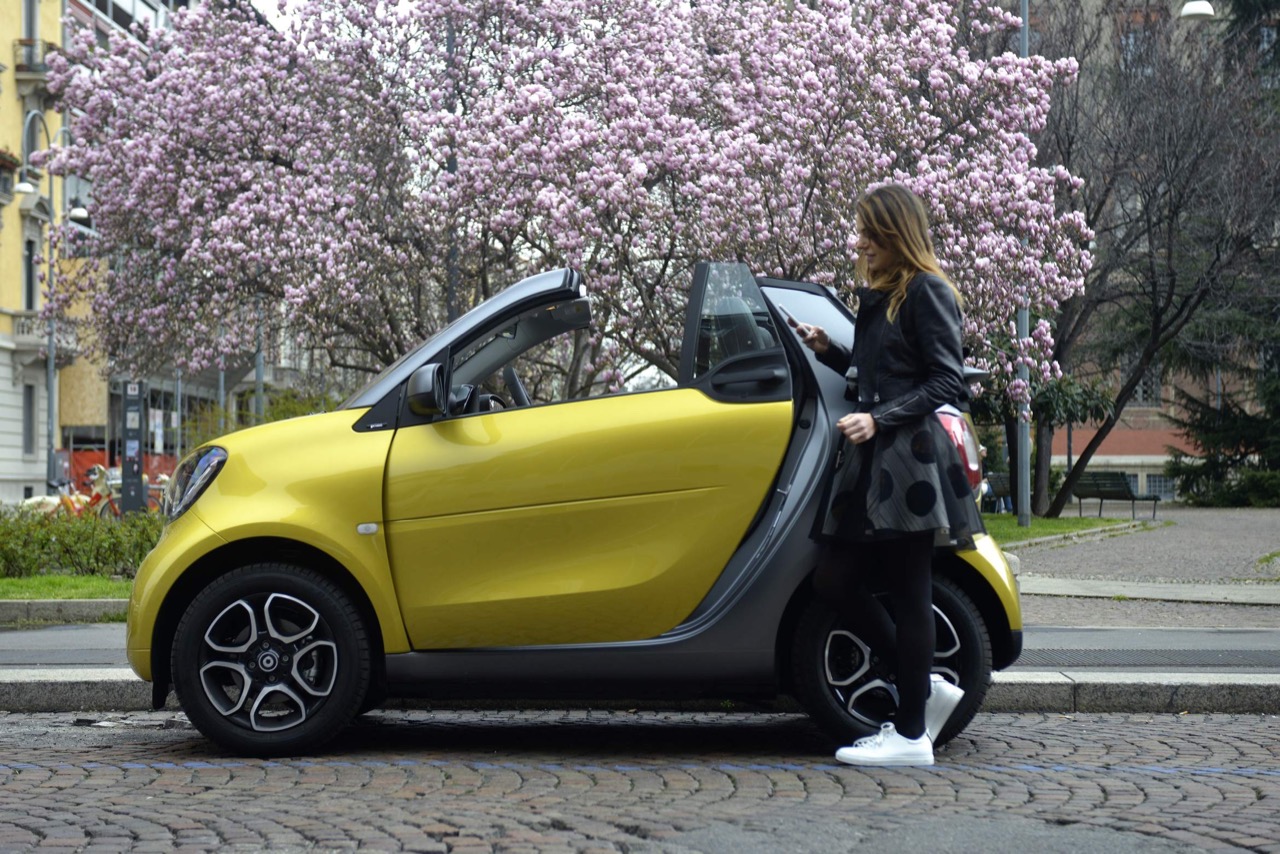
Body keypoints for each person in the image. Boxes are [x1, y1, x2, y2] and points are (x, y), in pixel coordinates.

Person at [787, 184, 983, 766]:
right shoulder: (886, 295)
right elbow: (879, 371)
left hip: (909, 459)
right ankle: (923, 687)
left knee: (909, 589)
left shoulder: (928, 290)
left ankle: (911, 735)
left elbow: (947, 380)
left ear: (898, 234)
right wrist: (828, 349)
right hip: (878, 460)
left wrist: (878, 419)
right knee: (836, 580)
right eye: (861, 232)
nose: (861, 243)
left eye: (871, 233)